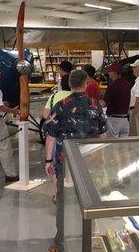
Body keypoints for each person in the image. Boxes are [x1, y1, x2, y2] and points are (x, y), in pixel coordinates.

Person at [44, 70, 107, 251]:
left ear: (70, 85)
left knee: (62, 199)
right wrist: (102, 157)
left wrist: (48, 161)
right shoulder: (95, 104)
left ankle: (61, 240)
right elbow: (103, 134)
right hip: (89, 158)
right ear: (86, 84)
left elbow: (50, 136)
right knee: (91, 197)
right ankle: (92, 234)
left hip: (65, 160)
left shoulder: (61, 104)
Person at [103, 63, 131, 139]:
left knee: (112, 145)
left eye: (110, 71)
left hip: (114, 119)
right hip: (125, 119)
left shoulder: (112, 85)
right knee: (124, 146)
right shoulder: (127, 85)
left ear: (115, 73)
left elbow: (104, 103)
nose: (108, 73)